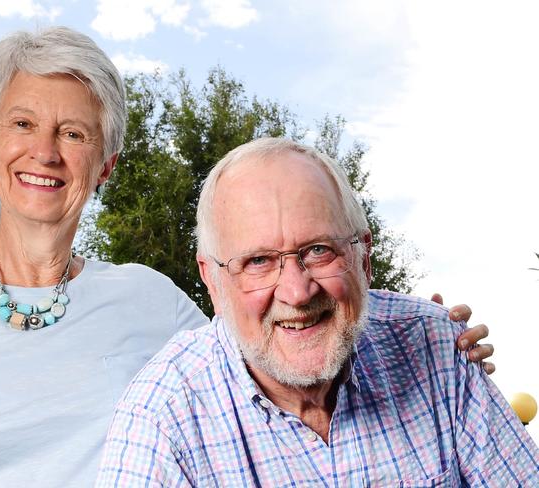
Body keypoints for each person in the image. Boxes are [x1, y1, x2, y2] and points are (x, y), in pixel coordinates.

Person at [0, 27, 492, 488]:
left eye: (73, 133)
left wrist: (411, 339)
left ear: (105, 166)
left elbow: (276, 348)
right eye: (23, 123)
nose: (45, 152)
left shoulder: (152, 299)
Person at [96, 138, 538, 487]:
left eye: (318, 251)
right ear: (212, 279)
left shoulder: (436, 344)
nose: (297, 291)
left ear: (363, 257)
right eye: (258, 261)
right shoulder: (161, 421)